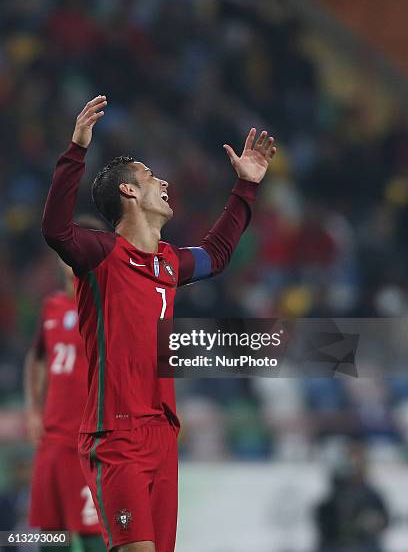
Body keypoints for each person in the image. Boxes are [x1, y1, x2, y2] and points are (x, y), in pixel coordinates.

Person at [41, 95, 276, 552]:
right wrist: (76, 151)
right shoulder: (101, 256)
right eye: (150, 176)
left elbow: (217, 254)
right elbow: (56, 231)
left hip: (163, 434)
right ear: (128, 192)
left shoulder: (167, 263)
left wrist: (245, 187)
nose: (163, 180)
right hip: (117, 435)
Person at [25, 248, 105, 552]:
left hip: (87, 442)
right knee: (50, 534)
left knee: (93, 534)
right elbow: (37, 359)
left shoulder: (105, 305)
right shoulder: (52, 307)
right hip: (52, 440)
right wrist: (34, 410)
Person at [315, 441, 389, 552]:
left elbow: (384, 520)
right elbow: (326, 524)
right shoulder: (334, 495)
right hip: (335, 545)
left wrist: (376, 522)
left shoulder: (372, 495)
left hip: (365, 544)